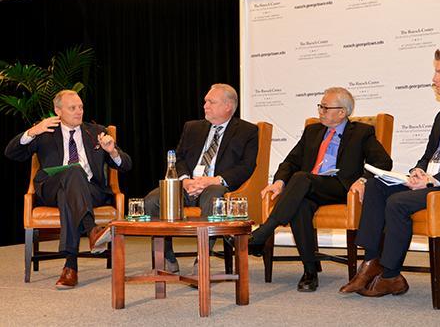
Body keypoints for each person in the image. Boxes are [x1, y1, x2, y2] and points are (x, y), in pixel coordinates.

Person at [339, 47, 440, 297]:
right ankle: (372, 261)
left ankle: (391, 275)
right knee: (375, 185)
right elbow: (429, 155)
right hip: (432, 181)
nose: (434, 79)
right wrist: (418, 172)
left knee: (397, 202)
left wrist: (435, 180)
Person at [248, 87, 392, 292]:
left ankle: (263, 232)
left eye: (325, 107)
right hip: (308, 187)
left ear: (342, 112)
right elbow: (290, 162)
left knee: (301, 178)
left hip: (339, 187)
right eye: (320, 106)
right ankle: (309, 272)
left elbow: (383, 162)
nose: (320, 111)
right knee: (301, 205)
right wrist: (279, 182)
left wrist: (363, 180)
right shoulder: (313, 131)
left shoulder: (361, 132)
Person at [5, 89, 132, 289]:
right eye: (72, 108)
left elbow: (126, 165)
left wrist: (112, 151)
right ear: (58, 111)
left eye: (80, 107)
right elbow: (11, 152)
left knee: (69, 190)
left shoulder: (96, 131)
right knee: (72, 172)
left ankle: (70, 266)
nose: (79, 111)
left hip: (90, 190)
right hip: (51, 188)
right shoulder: (46, 131)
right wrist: (32, 132)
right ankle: (92, 230)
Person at [144, 83, 258, 273]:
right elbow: (178, 158)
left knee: (213, 198)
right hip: (187, 184)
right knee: (152, 201)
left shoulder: (247, 131)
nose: (205, 105)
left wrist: (214, 180)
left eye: (211, 102)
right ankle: (167, 257)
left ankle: (202, 258)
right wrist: (185, 179)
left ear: (228, 106)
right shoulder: (192, 127)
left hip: (215, 185)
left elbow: (246, 167)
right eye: (205, 101)